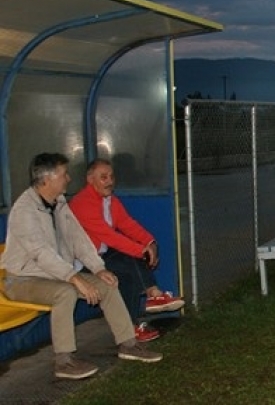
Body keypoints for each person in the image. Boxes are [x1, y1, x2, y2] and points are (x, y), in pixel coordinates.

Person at [0, 153, 161, 380]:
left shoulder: (59, 203)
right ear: (47, 179)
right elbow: (41, 254)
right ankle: (64, 361)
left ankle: (129, 345)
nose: (68, 179)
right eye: (63, 174)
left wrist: (98, 268)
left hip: (55, 274)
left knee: (108, 283)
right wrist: (75, 278)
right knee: (64, 292)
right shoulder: (24, 210)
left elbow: (78, 239)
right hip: (21, 279)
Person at [69, 158, 185, 342]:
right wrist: (142, 251)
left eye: (111, 176)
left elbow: (127, 224)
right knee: (131, 258)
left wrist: (150, 242)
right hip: (84, 262)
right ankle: (153, 295)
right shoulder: (83, 203)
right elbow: (109, 236)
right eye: (103, 177)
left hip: (101, 254)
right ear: (90, 180)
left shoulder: (110, 200)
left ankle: (133, 327)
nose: (109, 181)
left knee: (130, 271)